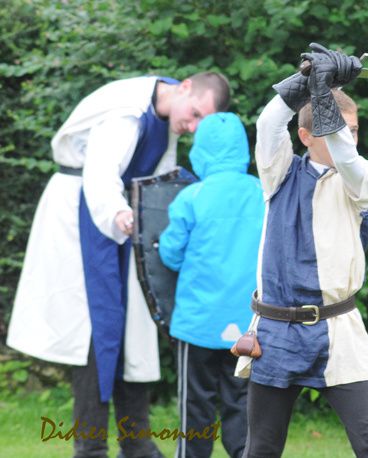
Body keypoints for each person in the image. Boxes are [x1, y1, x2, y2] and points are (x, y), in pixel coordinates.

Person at [7, 72, 229, 458]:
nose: (191, 126)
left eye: (199, 123)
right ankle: (90, 446)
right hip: (85, 212)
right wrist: (120, 216)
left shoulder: (166, 115)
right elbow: (100, 175)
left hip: (124, 213)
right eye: (193, 115)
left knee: (133, 329)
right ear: (187, 86)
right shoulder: (127, 111)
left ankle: (135, 441)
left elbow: (159, 175)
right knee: (97, 328)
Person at [234, 43, 368, 457]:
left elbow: (344, 151)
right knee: (262, 449)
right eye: (346, 128)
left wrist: (323, 93)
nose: (351, 137)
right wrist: (306, 77)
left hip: (339, 330)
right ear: (305, 135)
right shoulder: (280, 173)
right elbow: (269, 120)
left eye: (355, 129)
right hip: (276, 330)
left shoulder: (363, 178)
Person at [158, 112, 264, 458]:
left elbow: (171, 254)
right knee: (243, 404)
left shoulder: (191, 197)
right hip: (249, 323)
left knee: (195, 405)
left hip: (198, 321)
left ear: (199, 151)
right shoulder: (261, 192)